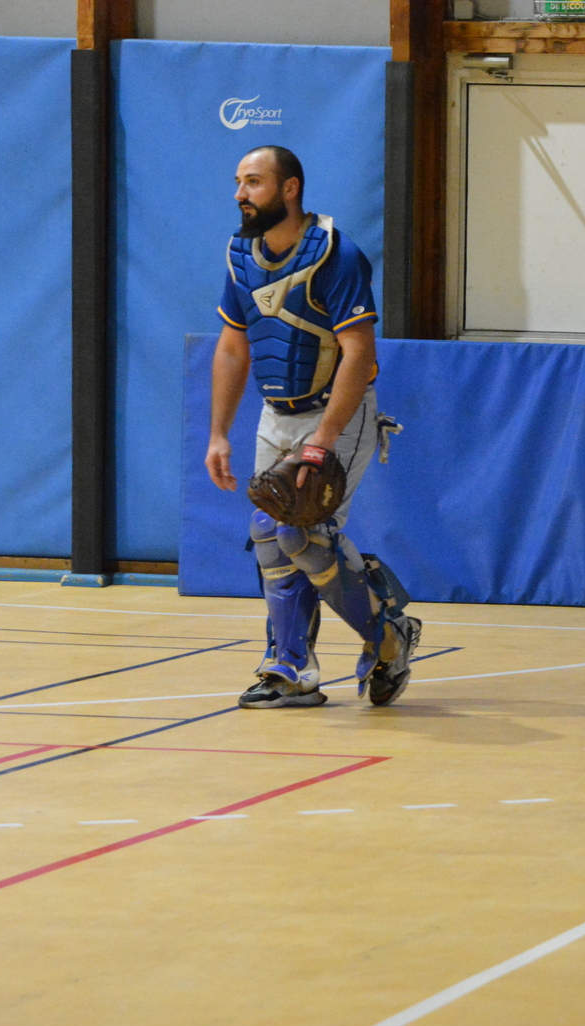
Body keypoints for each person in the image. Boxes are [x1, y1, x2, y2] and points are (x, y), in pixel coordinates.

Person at [206, 145, 421, 708]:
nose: (240, 193)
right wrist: (219, 433)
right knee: (268, 531)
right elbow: (232, 348)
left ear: (290, 188)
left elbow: (359, 354)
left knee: (303, 533)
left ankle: (390, 635)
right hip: (274, 413)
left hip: (337, 414)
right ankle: (290, 669)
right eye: (238, 181)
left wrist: (322, 441)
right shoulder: (240, 255)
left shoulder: (336, 254)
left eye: (253, 182)